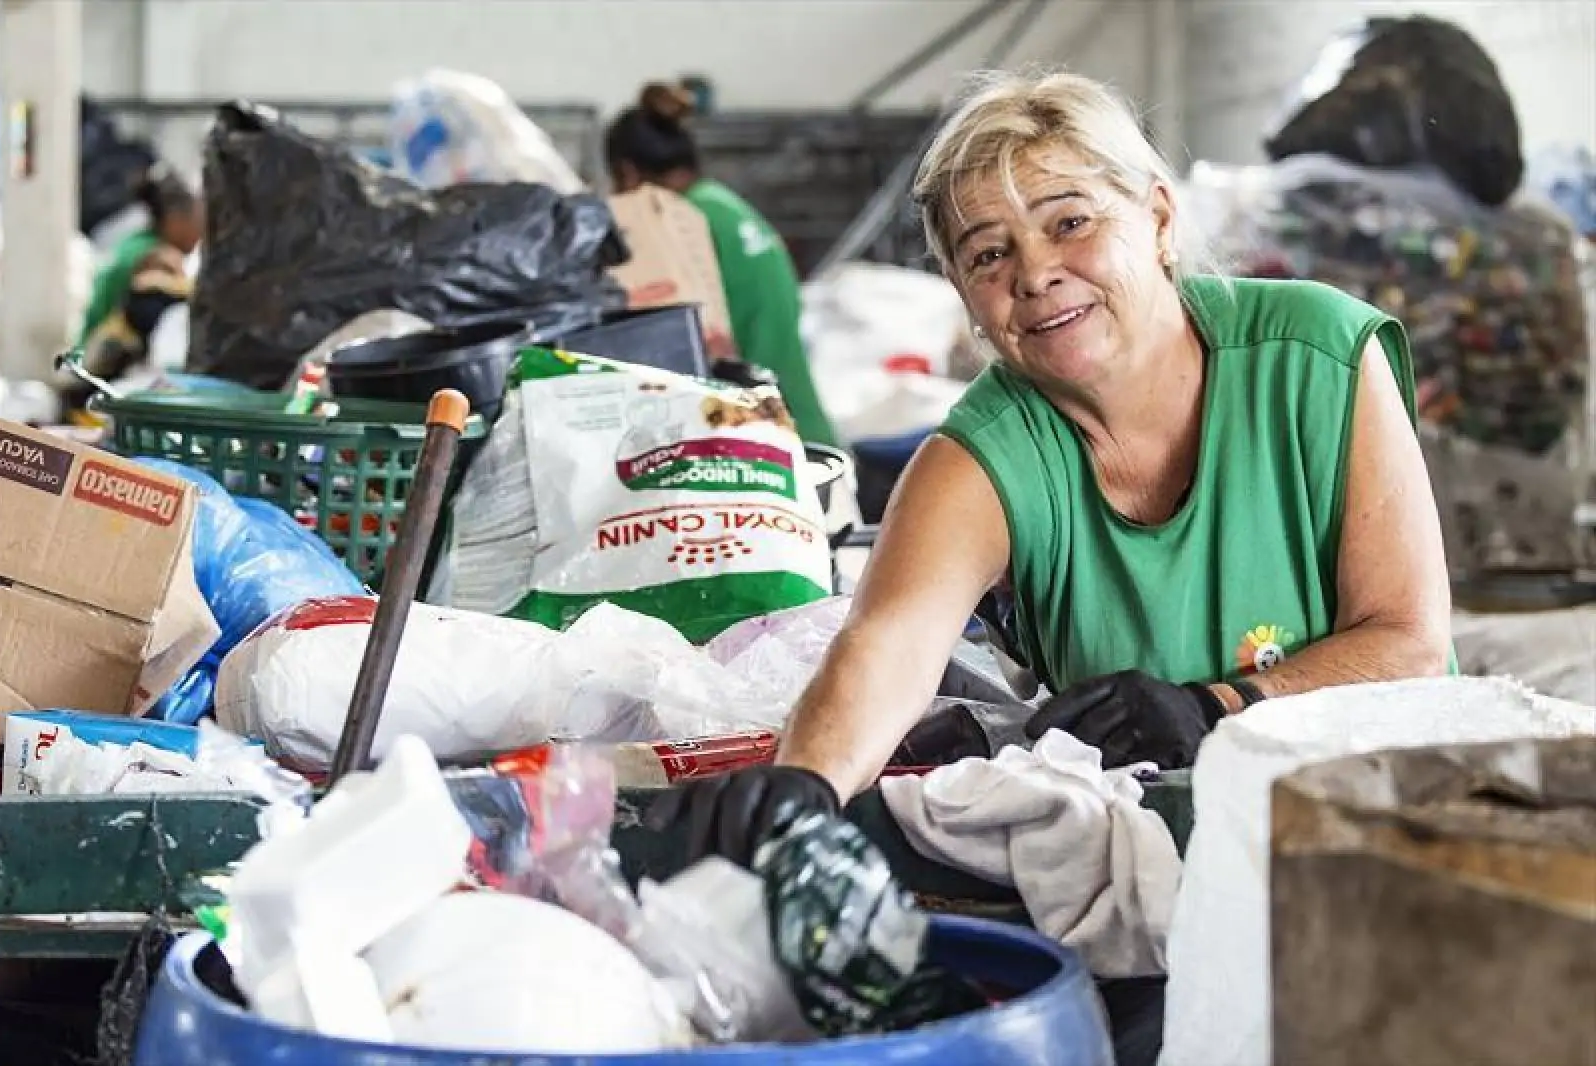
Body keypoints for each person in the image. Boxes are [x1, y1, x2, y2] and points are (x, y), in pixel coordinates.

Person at [651, 69, 1454, 868]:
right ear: (966, 295)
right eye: (989, 254)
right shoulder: (983, 456)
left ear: (1160, 219)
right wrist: (807, 786)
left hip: (1396, 821)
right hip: (1168, 859)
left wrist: (1220, 707)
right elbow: (887, 646)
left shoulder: (1315, 357)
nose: (1034, 273)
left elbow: (1409, 640)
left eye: (1069, 222)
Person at [605, 84, 839, 447]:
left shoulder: (678, 223)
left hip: (771, 443)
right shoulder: (724, 206)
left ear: (627, 172)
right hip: (803, 427)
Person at [78, 163, 204, 348]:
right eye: (197, 218)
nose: (202, 229)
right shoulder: (155, 259)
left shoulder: (136, 243)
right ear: (175, 219)